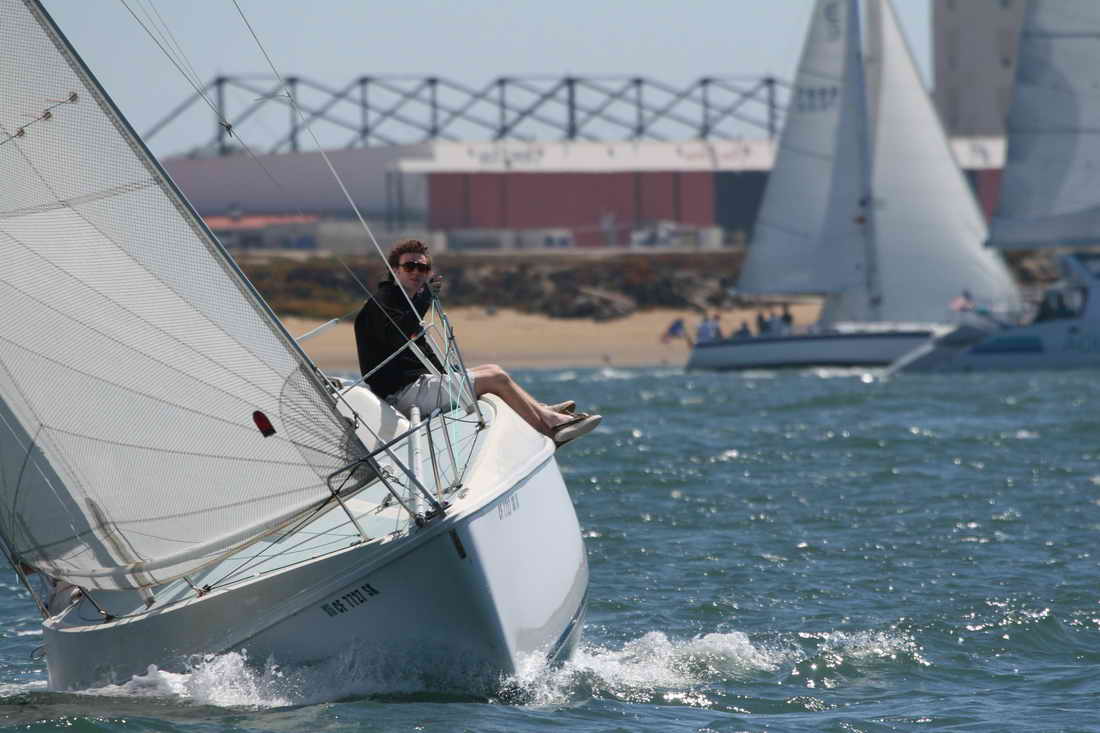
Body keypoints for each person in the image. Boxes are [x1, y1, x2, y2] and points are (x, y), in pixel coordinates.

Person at [354, 239, 600, 448]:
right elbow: (399, 334)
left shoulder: (403, 302)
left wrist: (450, 374)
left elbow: (419, 350)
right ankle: (549, 429)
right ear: (395, 270)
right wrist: (426, 298)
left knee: (493, 369)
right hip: (402, 395)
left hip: (419, 386)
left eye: (423, 267)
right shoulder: (384, 302)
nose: (416, 272)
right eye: (409, 266)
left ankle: (541, 410)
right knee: (496, 379)